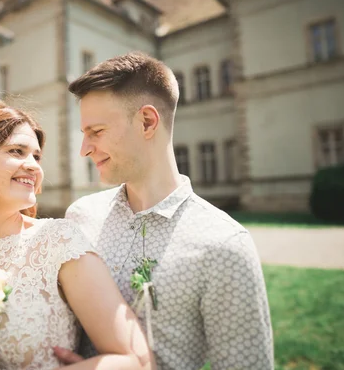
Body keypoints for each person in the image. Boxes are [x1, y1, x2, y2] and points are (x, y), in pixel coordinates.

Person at [54, 52, 274, 369]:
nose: (84, 149)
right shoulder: (80, 217)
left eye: (96, 132)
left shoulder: (225, 246)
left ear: (147, 121)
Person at [0, 98, 155, 370]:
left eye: (37, 156)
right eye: (17, 151)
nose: (34, 166)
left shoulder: (59, 241)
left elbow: (137, 363)